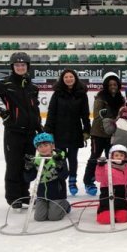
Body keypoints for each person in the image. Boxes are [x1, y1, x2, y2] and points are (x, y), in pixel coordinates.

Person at [0, 51, 42, 208]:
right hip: (14, 132)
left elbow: (35, 110)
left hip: (30, 133)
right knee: (14, 165)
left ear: (28, 66)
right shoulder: (5, 85)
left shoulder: (33, 87)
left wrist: (39, 127)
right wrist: (1, 112)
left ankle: (24, 194)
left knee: (28, 164)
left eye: (23, 65)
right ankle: (13, 198)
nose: (20, 67)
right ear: (12, 67)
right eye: (17, 65)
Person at [43, 68, 90, 196]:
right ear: (62, 79)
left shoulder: (82, 94)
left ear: (75, 78)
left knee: (73, 157)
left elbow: (85, 114)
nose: (69, 79)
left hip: (75, 130)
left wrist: (86, 130)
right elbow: (51, 112)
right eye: (66, 77)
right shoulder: (57, 94)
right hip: (59, 130)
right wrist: (48, 130)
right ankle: (61, 180)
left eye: (71, 77)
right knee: (60, 157)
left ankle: (72, 181)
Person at [83, 72, 124, 196]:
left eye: (115, 84)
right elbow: (98, 116)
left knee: (111, 158)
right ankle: (88, 181)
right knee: (95, 156)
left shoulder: (120, 98)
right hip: (99, 134)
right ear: (106, 85)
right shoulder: (100, 98)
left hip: (113, 134)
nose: (113, 86)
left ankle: (110, 180)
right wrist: (111, 121)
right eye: (110, 84)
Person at [24, 132, 70, 221]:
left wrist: (59, 166)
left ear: (52, 146)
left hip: (57, 194)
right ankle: (49, 206)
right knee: (39, 218)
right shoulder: (36, 161)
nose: (43, 148)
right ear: (37, 149)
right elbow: (29, 178)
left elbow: (64, 176)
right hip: (42, 195)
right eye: (40, 146)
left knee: (54, 217)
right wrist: (28, 168)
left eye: (46, 145)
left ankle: (65, 205)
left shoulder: (59, 158)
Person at [95, 144, 127, 224]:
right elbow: (99, 179)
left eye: (121, 155)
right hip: (107, 197)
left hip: (121, 197)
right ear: (111, 156)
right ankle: (101, 208)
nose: (119, 157)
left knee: (122, 219)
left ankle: (118, 211)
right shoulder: (106, 167)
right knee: (105, 220)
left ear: (125, 157)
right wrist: (100, 166)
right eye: (116, 155)